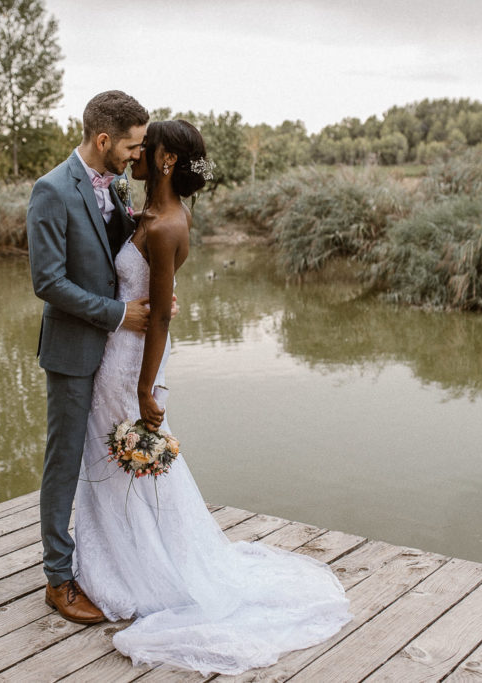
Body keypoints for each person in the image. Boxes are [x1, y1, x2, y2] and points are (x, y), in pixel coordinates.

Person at [72, 120, 352, 675]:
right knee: (110, 459)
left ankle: (144, 568)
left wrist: (146, 389)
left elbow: (157, 324)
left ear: (168, 158)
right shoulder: (144, 214)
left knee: (132, 460)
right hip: (113, 354)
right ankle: (118, 555)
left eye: (145, 147)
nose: (136, 154)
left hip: (132, 365)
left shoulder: (169, 223)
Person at [26, 90, 151, 624]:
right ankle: (59, 580)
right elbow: (48, 281)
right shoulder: (51, 191)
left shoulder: (113, 184)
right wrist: (120, 314)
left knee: (109, 457)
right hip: (74, 351)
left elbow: (114, 248)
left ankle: (112, 559)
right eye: (131, 146)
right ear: (103, 140)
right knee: (64, 461)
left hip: (114, 357)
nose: (135, 156)